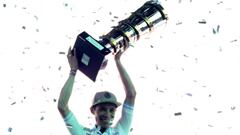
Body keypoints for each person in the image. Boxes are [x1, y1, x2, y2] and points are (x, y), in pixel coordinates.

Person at [57, 43, 137, 135]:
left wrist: (117, 60)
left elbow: (131, 95)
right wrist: (73, 71)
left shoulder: (120, 131)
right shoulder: (84, 133)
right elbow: (62, 106)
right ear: (93, 110)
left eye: (111, 110)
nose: (107, 114)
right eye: (102, 109)